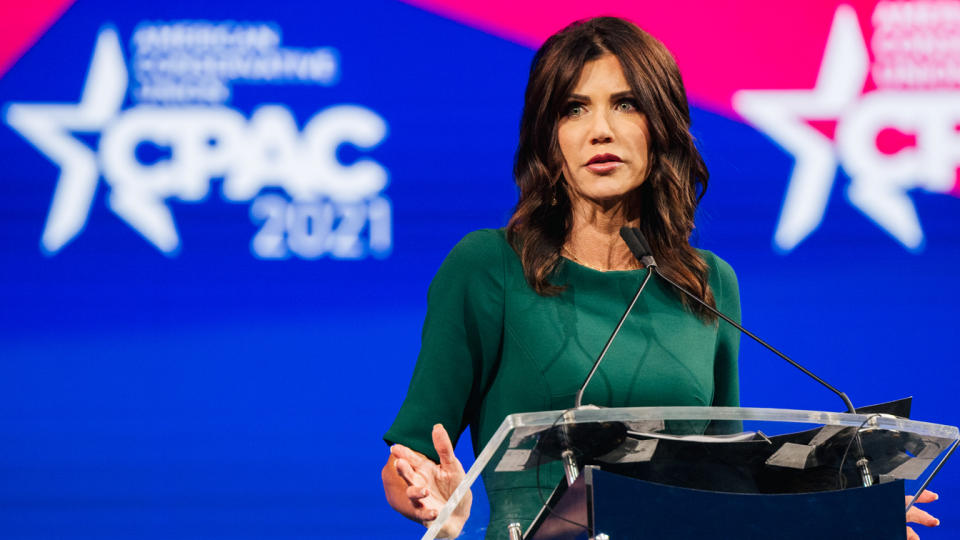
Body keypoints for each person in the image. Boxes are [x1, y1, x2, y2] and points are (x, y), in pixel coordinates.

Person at [381, 16, 940, 540]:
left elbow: (729, 484)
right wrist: (432, 496)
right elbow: (410, 459)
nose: (599, 130)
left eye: (624, 104)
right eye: (573, 109)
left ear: (660, 124)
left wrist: (845, 504)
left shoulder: (708, 284)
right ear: (549, 136)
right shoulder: (489, 268)